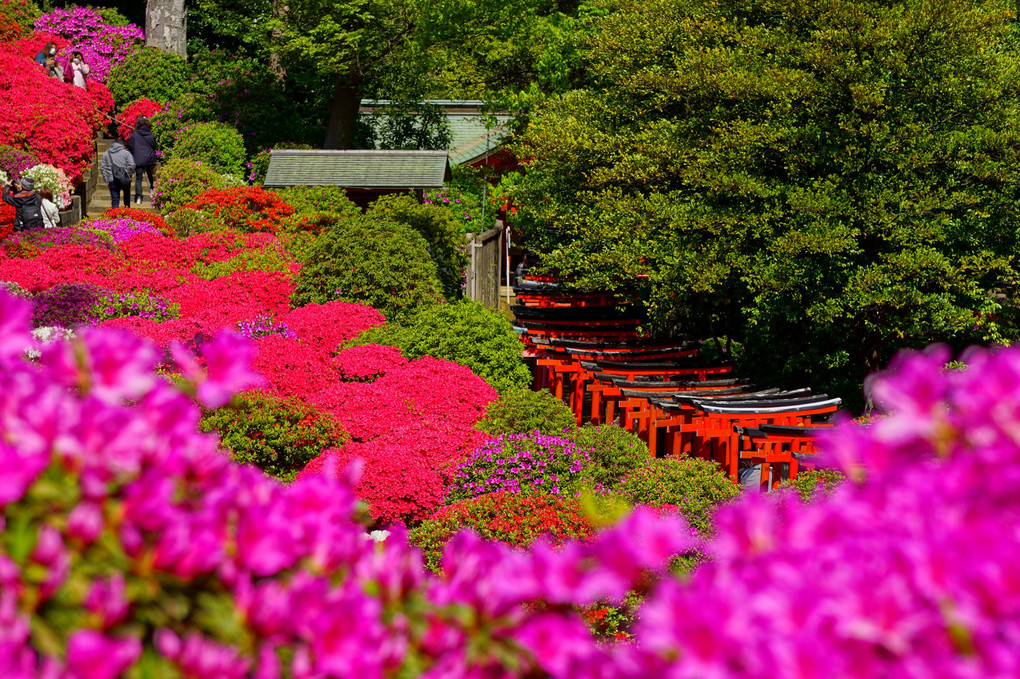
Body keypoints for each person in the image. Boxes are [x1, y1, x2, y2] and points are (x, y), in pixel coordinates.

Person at [127, 116, 157, 204]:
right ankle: (152, 191)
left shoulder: (134, 135)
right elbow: (154, 146)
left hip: (138, 159)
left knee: (138, 178)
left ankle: (139, 197)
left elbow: (131, 147)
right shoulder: (151, 135)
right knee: (150, 175)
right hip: (149, 158)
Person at [100, 134, 135, 209]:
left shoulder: (106, 153)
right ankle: (127, 215)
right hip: (124, 178)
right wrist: (129, 174)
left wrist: (106, 178)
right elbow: (132, 165)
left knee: (115, 199)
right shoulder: (126, 153)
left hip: (111, 179)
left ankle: (115, 217)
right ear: (122, 144)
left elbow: (102, 167)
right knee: (126, 197)